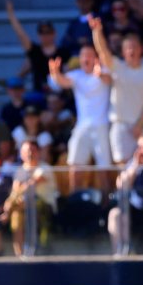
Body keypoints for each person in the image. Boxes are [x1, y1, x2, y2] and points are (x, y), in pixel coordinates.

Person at [89, 14, 143, 166]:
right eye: (127, 48)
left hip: (142, 126)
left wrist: (140, 125)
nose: (131, 51)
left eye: (134, 47)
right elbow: (103, 52)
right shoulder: (117, 67)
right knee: (123, 167)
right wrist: (97, 32)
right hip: (120, 126)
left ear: (141, 49)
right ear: (123, 52)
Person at [47, 47, 111, 194]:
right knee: (75, 167)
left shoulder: (104, 71)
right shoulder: (76, 75)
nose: (86, 59)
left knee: (104, 169)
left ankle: (107, 204)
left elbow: (108, 80)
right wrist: (55, 73)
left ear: (95, 58)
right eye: (83, 56)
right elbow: (62, 82)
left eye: (89, 56)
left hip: (101, 126)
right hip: (82, 127)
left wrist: (99, 74)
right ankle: (74, 201)